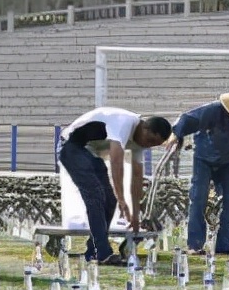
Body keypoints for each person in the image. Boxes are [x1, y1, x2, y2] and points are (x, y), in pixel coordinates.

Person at [58, 107, 172, 265]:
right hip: (70, 146)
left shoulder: (140, 142)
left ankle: (93, 251)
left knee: (110, 200)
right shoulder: (124, 123)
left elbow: (137, 178)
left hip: (90, 153)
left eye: (154, 145)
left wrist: (135, 214)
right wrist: (122, 200)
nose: (148, 146)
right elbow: (116, 163)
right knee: (96, 195)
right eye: (150, 140)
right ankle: (103, 253)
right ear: (144, 126)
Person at [166, 92, 229, 259]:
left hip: (228, 163)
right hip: (204, 158)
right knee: (198, 197)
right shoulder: (216, 110)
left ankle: (224, 246)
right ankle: (195, 244)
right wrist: (175, 134)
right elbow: (188, 119)